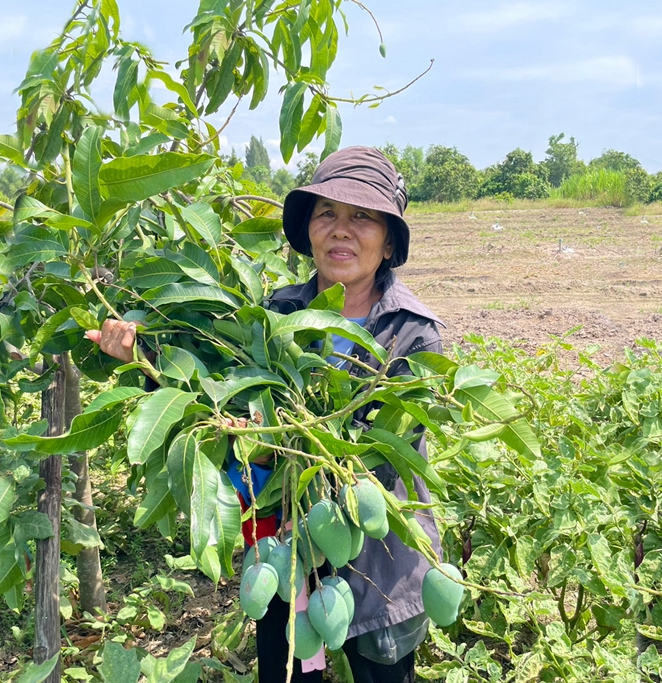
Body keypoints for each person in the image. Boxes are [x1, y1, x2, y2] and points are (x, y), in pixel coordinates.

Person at [88, 146, 444, 683]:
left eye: (362, 217)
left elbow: (384, 461)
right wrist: (143, 355)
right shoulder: (276, 314)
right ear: (309, 231)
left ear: (389, 239)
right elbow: (218, 383)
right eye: (327, 213)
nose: (341, 230)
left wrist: (279, 441)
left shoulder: (414, 332)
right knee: (288, 674)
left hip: (380, 561)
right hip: (284, 550)